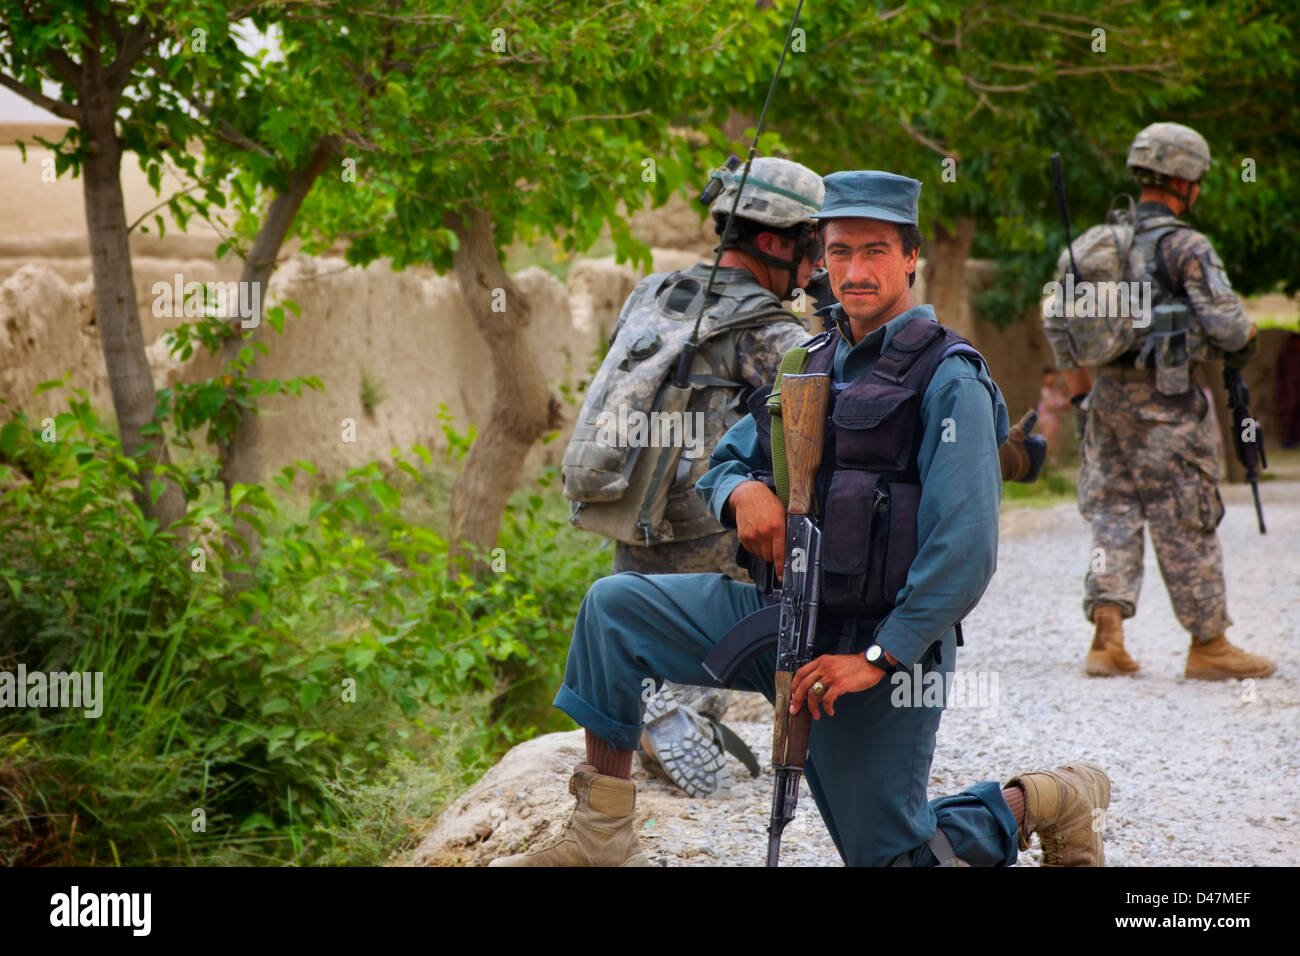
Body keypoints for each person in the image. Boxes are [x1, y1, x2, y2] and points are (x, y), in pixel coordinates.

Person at [494, 170, 1110, 867]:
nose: (854, 270)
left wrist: (877, 659)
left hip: (874, 653)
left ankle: (1048, 798)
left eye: (875, 251)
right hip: (779, 619)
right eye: (839, 252)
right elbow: (724, 462)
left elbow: (965, 551)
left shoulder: (950, 377)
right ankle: (600, 837)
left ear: (911, 258)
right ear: (820, 257)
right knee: (614, 609)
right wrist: (739, 495)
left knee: (895, 860)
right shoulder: (807, 361)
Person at [562, 156, 827, 797]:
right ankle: (673, 707)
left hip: (637, 505)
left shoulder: (654, 293)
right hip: (714, 515)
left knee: (633, 619)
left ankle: (652, 706)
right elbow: (810, 437)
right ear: (771, 242)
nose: (818, 265)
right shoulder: (769, 332)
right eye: (812, 248)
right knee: (735, 615)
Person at [1053, 122, 1275, 680]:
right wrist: (1247, 344)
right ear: (1188, 181)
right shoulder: (1185, 246)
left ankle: (1108, 638)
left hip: (1105, 400)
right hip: (1168, 401)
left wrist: (1084, 397)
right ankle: (1209, 645)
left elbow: (1059, 325)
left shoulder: (1096, 245)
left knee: (1113, 512)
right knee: (1187, 514)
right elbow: (1228, 326)